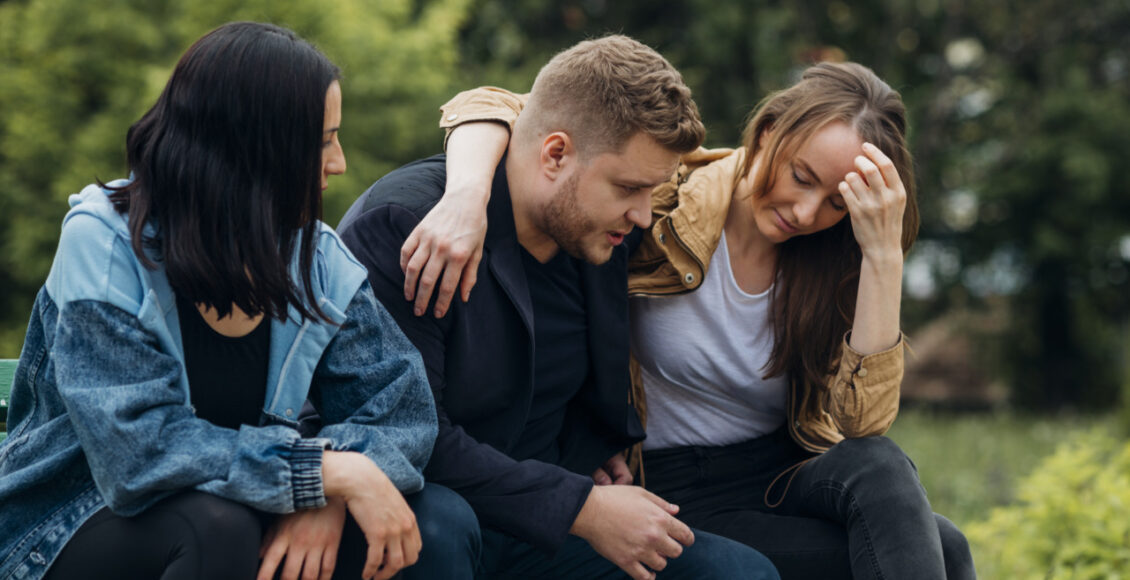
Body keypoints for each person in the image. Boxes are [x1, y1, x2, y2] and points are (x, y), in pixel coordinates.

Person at [400, 61, 978, 579]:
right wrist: (467, 195)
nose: (807, 212)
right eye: (802, 177)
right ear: (769, 129)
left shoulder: (838, 258)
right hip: (670, 483)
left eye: (836, 203)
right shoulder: (661, 196)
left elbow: (864, 424)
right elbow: (503, 108)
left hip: (780, 474)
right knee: (941, 549)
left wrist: (881, 256)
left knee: (900, 491)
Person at [0, 21, 471, 580]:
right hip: (67, 526)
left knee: (440, 524)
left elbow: (402, 412)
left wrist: (328, 494)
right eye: (322, 141)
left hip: (244, 508)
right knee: (216, 527)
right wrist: (322, 474)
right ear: (253, 147)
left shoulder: (314, 259)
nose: (339, 162)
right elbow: (138, 454)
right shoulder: (104, 246)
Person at [337, 35, 778, 580]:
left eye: (651, 191)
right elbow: (406, 438)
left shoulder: (595, 227)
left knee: (739, 574)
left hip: (546, 528)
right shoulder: (409, 227)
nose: (644, 216)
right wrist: (580, 506)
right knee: (437, 526)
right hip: (436, 517)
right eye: (629, 188)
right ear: (555, 153)